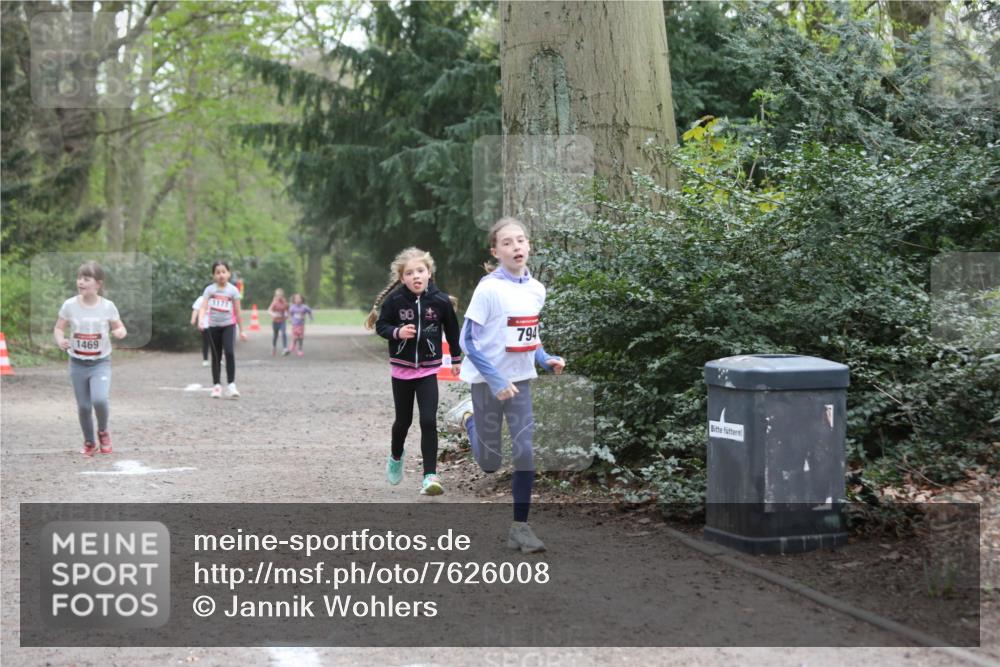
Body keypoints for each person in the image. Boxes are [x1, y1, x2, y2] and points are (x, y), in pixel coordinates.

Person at [453, 218, 565, 553]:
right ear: (495, 251)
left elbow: (528, 335)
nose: (516, 247)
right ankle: (469, 419)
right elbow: (466, 341)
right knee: (489, 462)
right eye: (507, 242)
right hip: (488, 382)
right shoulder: (489, 289)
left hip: (521, 383)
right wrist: (496, 378)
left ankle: (521, 527)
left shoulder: (536, 290)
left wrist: (545, 359)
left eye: (521, 241)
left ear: (528, 246)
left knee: (525, 452)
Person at [366, 247, 462, 496]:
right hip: (402, 371)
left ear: (429, 273)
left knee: (428, 421)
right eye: (410, 273)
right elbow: (382, 326)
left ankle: (430, 476)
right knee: (403, 422)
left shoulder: (440, 301)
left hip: (428, 370)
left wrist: (456, 357)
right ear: (402, 278)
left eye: (421, 270)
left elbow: (452, 329)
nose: (416, 276)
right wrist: (397, 332)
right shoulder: (395, 302)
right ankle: (396, 456)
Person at [53, 261, 127, 457]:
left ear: (98, 284)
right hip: (77, 363)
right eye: (79, 278)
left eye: (86, 279)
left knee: (100, 400)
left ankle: (103, 432)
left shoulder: (107, 306)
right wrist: (60, 340)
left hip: (100, 363)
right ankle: (89, 442)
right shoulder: (69, 305)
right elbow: (59, 327)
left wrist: (119, 331)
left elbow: (119, 326)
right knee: (84, 406)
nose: (81, 282)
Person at [197, 261, 247, 398]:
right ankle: (216, 386)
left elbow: (238, 311)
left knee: (229, 352)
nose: (221, 275)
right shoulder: (210, 290)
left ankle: (231, 385)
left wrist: (242, 330)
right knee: (216, 356)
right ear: (213, 275)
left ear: (229, 274)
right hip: (213, 326)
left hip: (228, 325)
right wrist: (201, 320)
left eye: (223, 272)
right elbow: (203, 307)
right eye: (217, 272)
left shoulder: (233, 290)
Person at [267, 288, 290, 356]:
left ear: (283, 295)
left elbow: (287, 311)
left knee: (283, 333)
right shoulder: (274, 302)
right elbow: (269, 310)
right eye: (278, 295)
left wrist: (288, 317)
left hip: (282, 321)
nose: (279, 297)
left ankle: (285, 348)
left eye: (281, 295)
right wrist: (274, 314)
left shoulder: (285, 303)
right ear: (276, 295)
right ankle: (274, 347)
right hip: (275, 322)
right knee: (275, 335)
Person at [191, 294, 210, 367]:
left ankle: (218, 358)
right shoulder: (201, 299)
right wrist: (193, 319)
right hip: (204, 324)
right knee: (206, 342)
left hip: (216, 324)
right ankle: (205, 359)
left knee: (218, 343)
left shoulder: (216, 298)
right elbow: (195, 309)